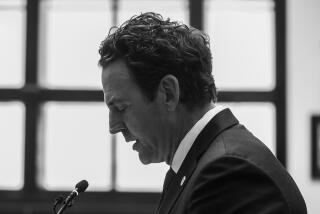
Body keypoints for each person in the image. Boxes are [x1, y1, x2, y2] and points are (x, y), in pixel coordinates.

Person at [98, 12, 307, 214]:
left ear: (168, 93)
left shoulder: (228, 174)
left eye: (121, 108)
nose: (113, 127)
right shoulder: (198, 167)